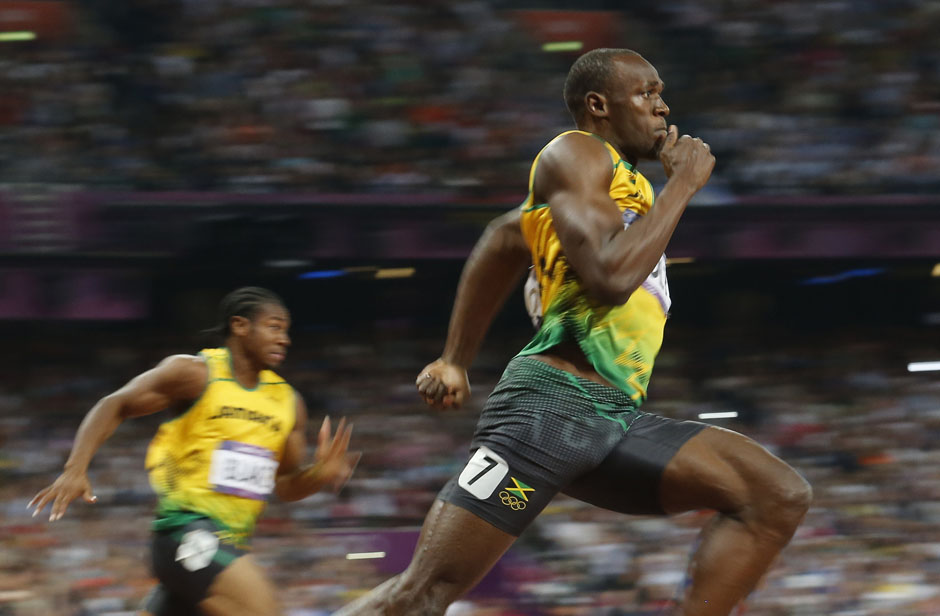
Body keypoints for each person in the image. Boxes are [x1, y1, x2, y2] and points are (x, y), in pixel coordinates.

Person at [336, 49, 812, 616]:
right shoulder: (577, 152)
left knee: (775, 495)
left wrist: (455, 359)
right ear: (598, 104)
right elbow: (611, 278)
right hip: (548, 412)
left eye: (661, 94)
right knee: (423, 595)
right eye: (646, 93)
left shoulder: (620, 185)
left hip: (612, 417)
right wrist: (682, 186)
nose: (662, 107)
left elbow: (502, 237)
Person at [28, 286, 360, 616]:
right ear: (240, 326)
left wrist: (318, 475)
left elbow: (285, 484)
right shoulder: (195, 374)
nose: (284, 338)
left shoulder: (289, 403)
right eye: (274, 327)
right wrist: (75, 468)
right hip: (185, 533)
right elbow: (114, 404)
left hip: (229, 544)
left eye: (286, 330)